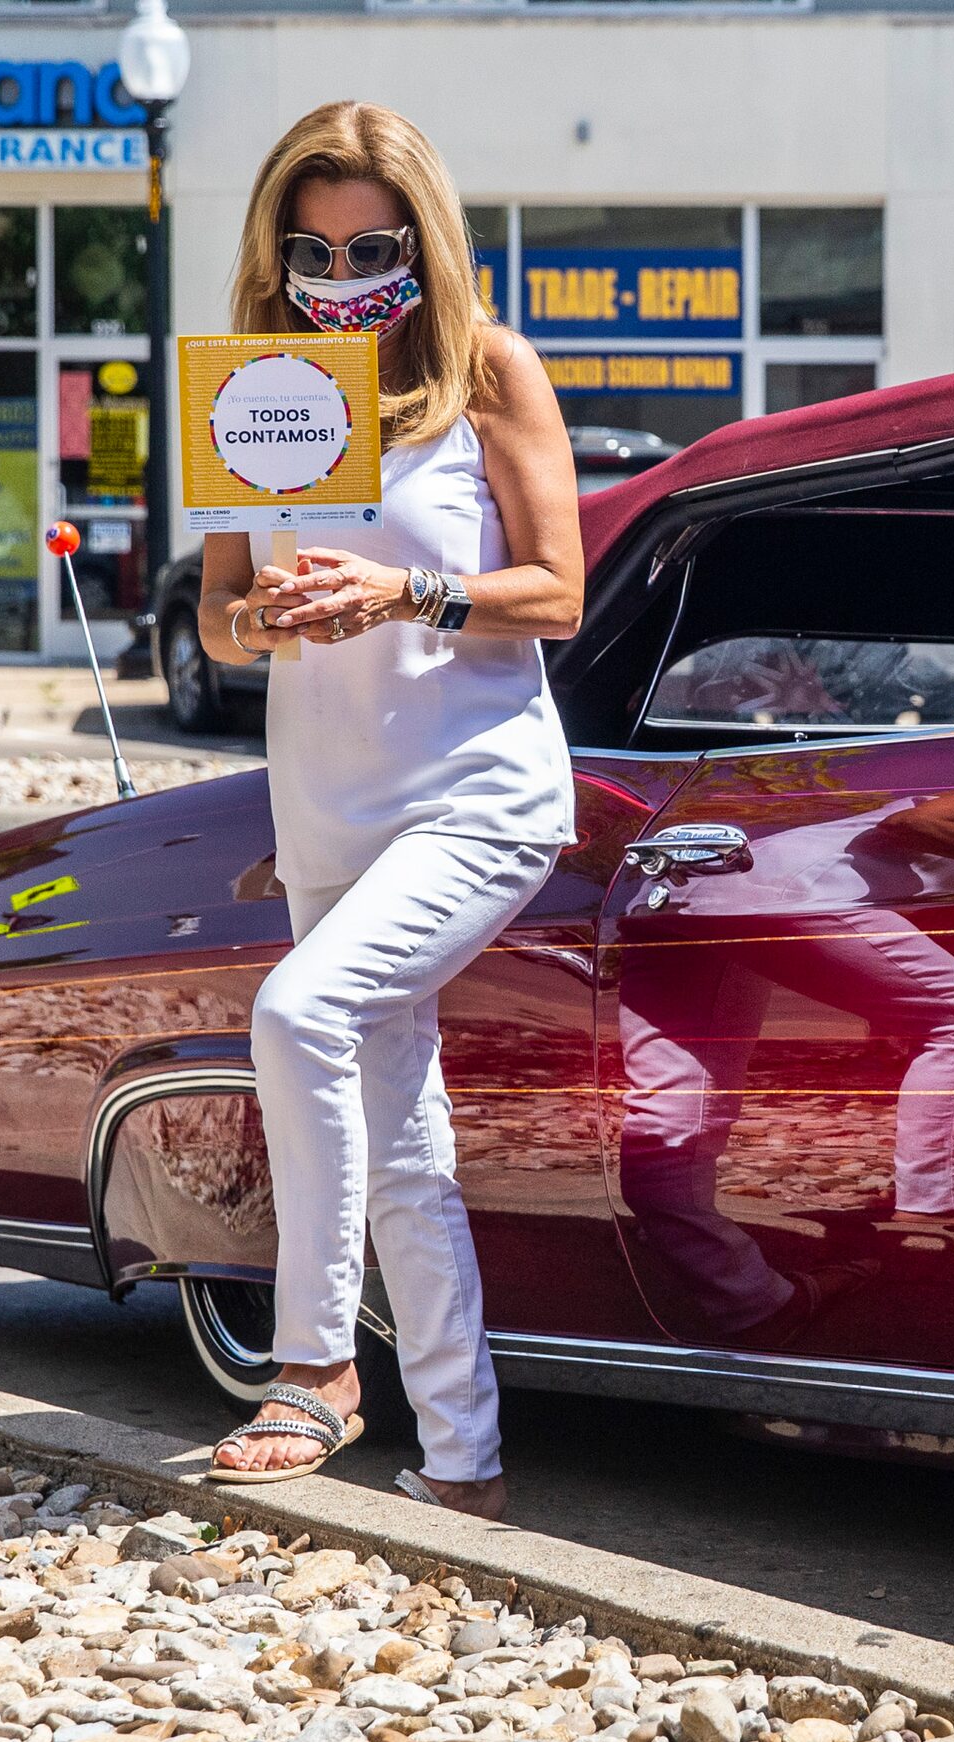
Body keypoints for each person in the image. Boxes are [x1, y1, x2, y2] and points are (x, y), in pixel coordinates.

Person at [198, 101, 581, 1519]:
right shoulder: (257, 384)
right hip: (329, 800)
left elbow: (560, 591)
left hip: (476, 793)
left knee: (301, 1015)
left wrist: (404, 588)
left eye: (371, 240)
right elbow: (220, 620)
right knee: (399, 1126)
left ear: (426, 239)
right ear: (276, 247)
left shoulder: (487, 373)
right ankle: (465, 1461)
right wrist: (272, 621)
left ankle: (313, 1366)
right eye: (312, 242)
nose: (341, 265)